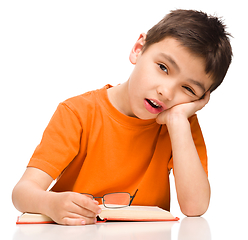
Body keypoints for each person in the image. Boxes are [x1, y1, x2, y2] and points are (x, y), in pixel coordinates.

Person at [12, 9, 232, 225]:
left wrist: (177, 122)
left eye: (188, 89)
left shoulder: (180, 125)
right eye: (163, 67)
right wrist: (50, 203)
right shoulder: (77, 112)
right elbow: (22, 193)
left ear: (200, 99)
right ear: (138, 49)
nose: (166, 92)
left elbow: (195, 208)